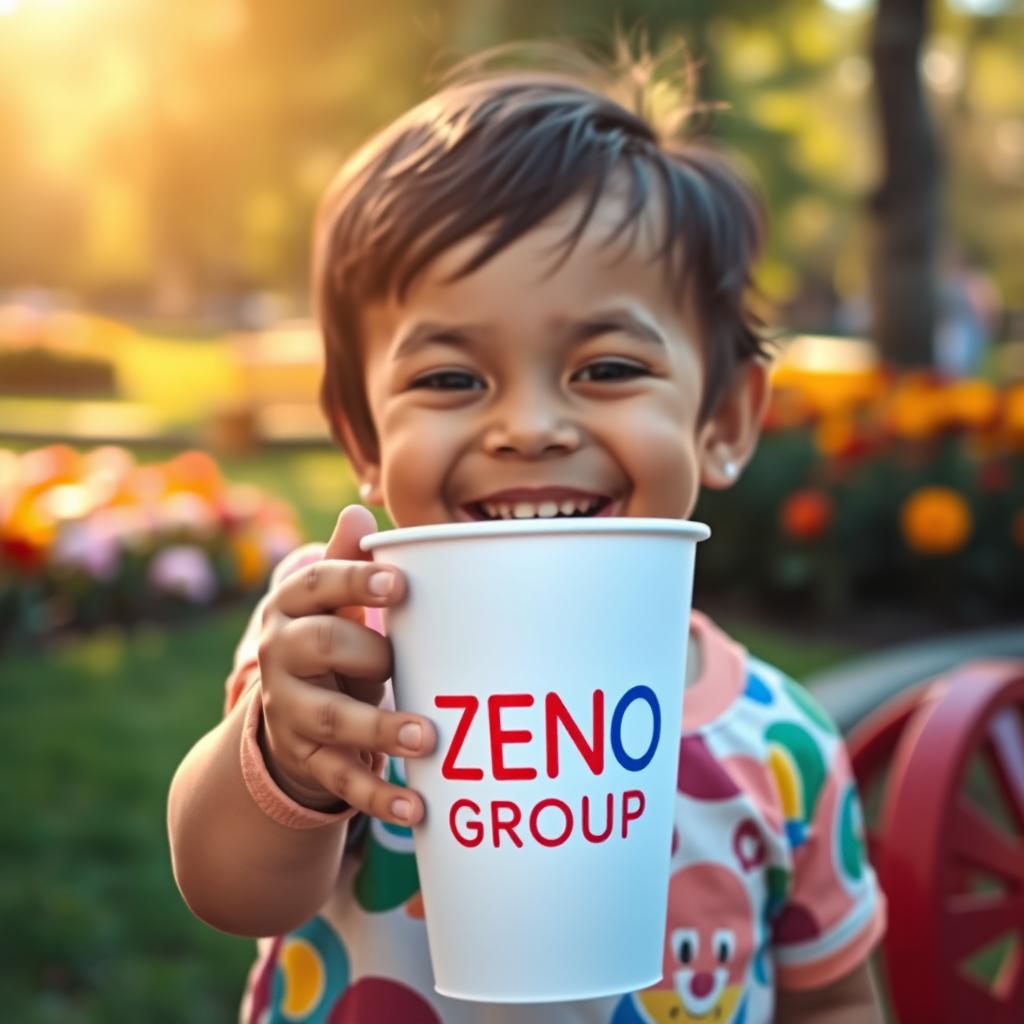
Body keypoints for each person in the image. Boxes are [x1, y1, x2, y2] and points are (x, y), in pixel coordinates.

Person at [168, 41, 886, 1024]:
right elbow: (231, 889)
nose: (529, 426)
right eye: (451, 379)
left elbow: (834, 999)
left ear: (721, 420)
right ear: (362, 437)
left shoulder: (782, 746)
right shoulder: (340, 657)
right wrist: (289, 760)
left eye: (606, 368)